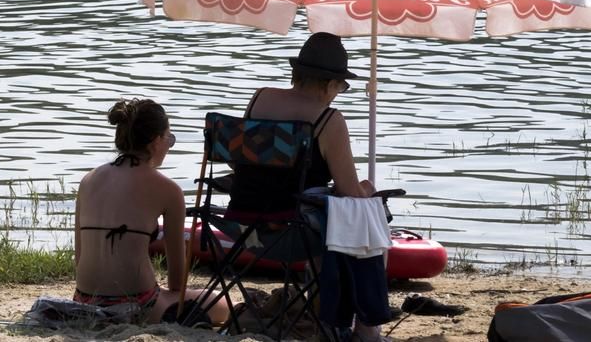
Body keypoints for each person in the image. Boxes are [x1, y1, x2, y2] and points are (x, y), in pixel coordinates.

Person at [238, 32, 390, 341]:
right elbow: (349, 191)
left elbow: (245, 164)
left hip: (243, 228)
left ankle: (329, 313)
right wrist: (369, 191)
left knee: (327, 211)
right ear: (330, 83)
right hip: (293, 235)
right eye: (341, 86)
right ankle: (365, 325)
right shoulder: (328, 120)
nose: (339, 93)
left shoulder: (260, 98)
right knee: (368, 213)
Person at [74, 98, 229, 326]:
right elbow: (177, 282)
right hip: (139, 304)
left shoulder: (87, 181)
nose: (169, 146)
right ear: (156, 141)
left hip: (84, 300)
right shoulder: (169, 190)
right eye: (170, 139)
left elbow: (80, 259)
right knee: (219, 303)